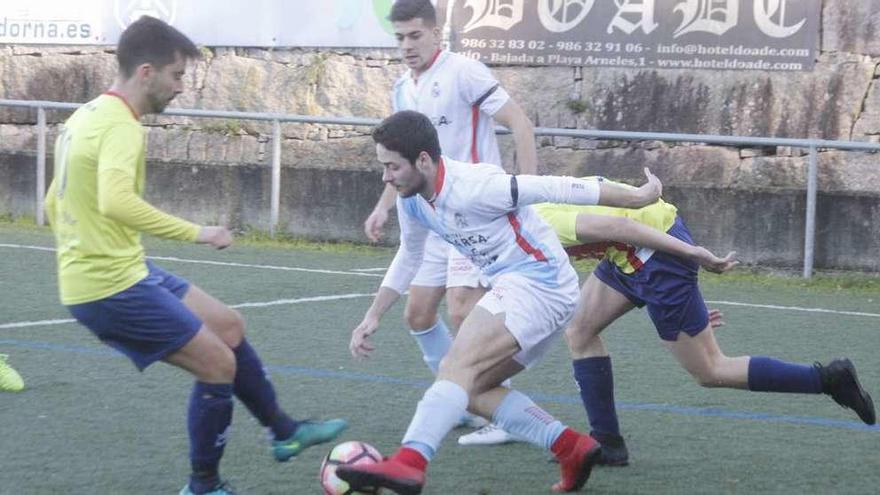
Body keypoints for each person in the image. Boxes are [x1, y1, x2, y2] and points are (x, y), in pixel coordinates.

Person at [42, 16, 346, 495]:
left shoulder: (84, 116)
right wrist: (198, 231)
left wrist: (82, 248)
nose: (181, 88)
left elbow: (52, 201)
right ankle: (203, 486)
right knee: (217, 365)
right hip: (109, 286)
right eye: (177, 75)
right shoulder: (121, 125)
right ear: (146, 72)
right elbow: (115, 201)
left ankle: (285, 433)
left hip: (121, 270)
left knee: (228, 326)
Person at [337, 110, 663, 494]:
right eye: (383, 167)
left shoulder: (476, 186)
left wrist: (638, 197)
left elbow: (557, 187)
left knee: (454, 367)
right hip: (522, 289)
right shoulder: (412, 199)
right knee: (471, 390)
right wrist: (373, 314)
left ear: (423, 160)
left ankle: (410, 462)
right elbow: (409, 255)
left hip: (540, 283)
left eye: (391, 167)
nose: (385, 178)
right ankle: (570, 446)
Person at [532, 192, 876, 466]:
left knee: (710, 370)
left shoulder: (543, 225)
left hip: (654, 252)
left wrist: (693, 255)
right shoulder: (531, 200)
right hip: (635, 252)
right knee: (580, 329)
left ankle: (828, 379)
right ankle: (607, 442)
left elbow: (624, 229)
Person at [364, 0, 539, 446]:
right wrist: (385, 205)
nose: (406, 46)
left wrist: (530, 188)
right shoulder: (403, 88)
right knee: (418, 314)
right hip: (430, 218)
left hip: (473, 214)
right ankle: (462, 396)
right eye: (399, 38)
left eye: (415, 35)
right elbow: (403, 159)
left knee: (463, 310)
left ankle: (499, 409)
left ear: (436, 33)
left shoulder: (465, 71)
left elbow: (520, 123)